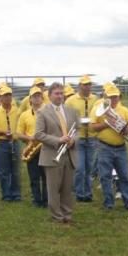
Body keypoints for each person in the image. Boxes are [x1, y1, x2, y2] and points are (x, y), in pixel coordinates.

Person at [90, 85, 128, 210]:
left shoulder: (123, 109)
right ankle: (108, 203)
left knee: (124, 175)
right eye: (111, 97)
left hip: (120, 147)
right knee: (105, 176)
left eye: (116, 97)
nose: (114, 99)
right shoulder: (98, 108)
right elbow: (93, 127)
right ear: (105, 97)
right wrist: (107, 123)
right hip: (104, 147)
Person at [35, 82, 81, 223]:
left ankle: (67, 214)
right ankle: (57, 217)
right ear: (49, 96)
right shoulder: (43, 112)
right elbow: (38, 134)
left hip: (69, 154)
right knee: (54, 189)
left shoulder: (71, 111)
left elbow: (78, 130)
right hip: (52, 155)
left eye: (62, 93)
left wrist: (73, 140)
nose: (60, 96)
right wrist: (58, 140)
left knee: (67, 188)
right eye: (57, 93)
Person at [65, 75, 98, 202]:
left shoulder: (95, 99)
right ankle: (79, 193)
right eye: (84, 84)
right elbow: (66, 118)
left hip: (91, 137)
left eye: (89, 84)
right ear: (79, 86)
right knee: (79, 168)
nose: (87, 86)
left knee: (89, 168)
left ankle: (88, 193)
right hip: (77, 137)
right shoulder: (71, 100)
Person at [0, 86, 22, 201]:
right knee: (3, 171)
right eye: (4, 96)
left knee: (15, 170)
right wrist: (2, 132)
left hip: (15, 142)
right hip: (1, 143)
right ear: (0, 98)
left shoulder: (18, 111)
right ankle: (6, 194)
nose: (7, 97)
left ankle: (16, 194)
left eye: (9, 95)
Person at [17, 86, 47, 207]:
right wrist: (30, 138)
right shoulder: (24, 115)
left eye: (39, 96)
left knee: (46, 177)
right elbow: (19, 133)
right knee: (34, 177)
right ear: (30, 99)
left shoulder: (49, 112)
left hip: (46, 148)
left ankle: (46, 200)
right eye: (34, 96)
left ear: (42, 98)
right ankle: (36, 200)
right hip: (32, 148)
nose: (37, 98)